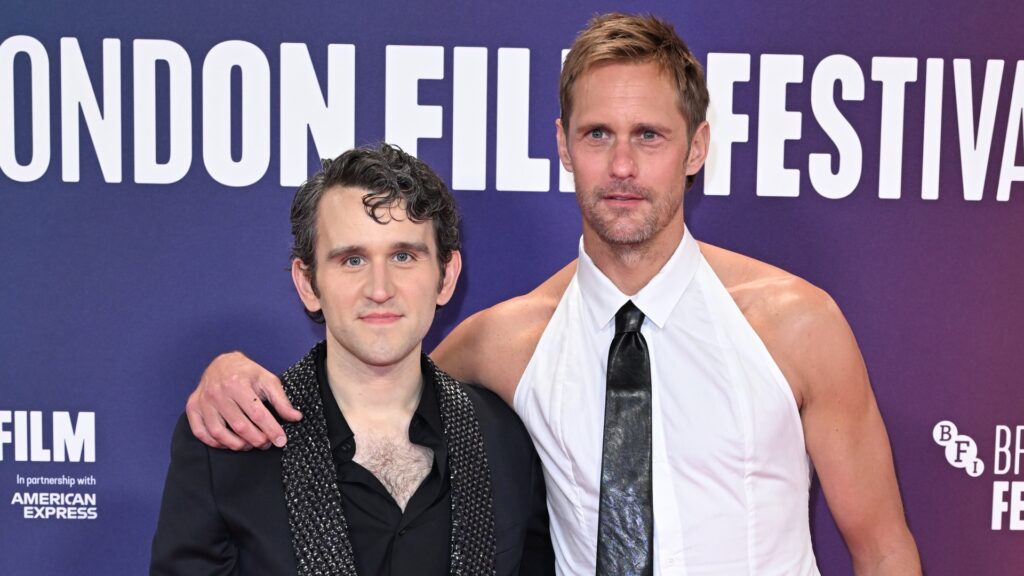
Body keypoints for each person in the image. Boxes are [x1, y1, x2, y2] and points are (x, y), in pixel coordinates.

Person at [184, 14, 921, 575]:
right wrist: (231, 378)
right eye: (598, 134)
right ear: (564, 146)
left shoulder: (796, 325)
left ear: (696, 147)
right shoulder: (501, 345)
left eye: (650, 136)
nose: (623, 165)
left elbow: (884, 548)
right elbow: (370, 375)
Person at [150, 144, 554, 575]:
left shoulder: (507, 441)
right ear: (308, 283)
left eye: (403, 256)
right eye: (353, 259)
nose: (379, 288)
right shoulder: (231, 444)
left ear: (446, 276)